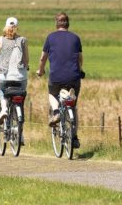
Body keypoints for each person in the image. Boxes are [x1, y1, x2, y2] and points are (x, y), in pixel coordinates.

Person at [37, 12, 84, 146]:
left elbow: (43, 58)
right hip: (74, 77)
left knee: (52, 93)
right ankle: (74, 137)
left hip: (56, 77)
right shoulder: (76, 38)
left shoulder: (50, 37)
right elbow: (80, 58)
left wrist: (41, 70)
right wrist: (80, 70)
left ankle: (56, 111)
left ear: (56, 24)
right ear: (68, 24)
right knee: (73, 106)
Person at [0, 17, 29, 124]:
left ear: (5, 27)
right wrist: (26, 66)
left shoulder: (0, 39)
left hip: (5, 75)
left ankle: (4, 109)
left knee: (2, 90)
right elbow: (26, 59)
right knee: (21, 93)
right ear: (17, 27)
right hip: (20, 76)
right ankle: (19, 116)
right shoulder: (23, 40)